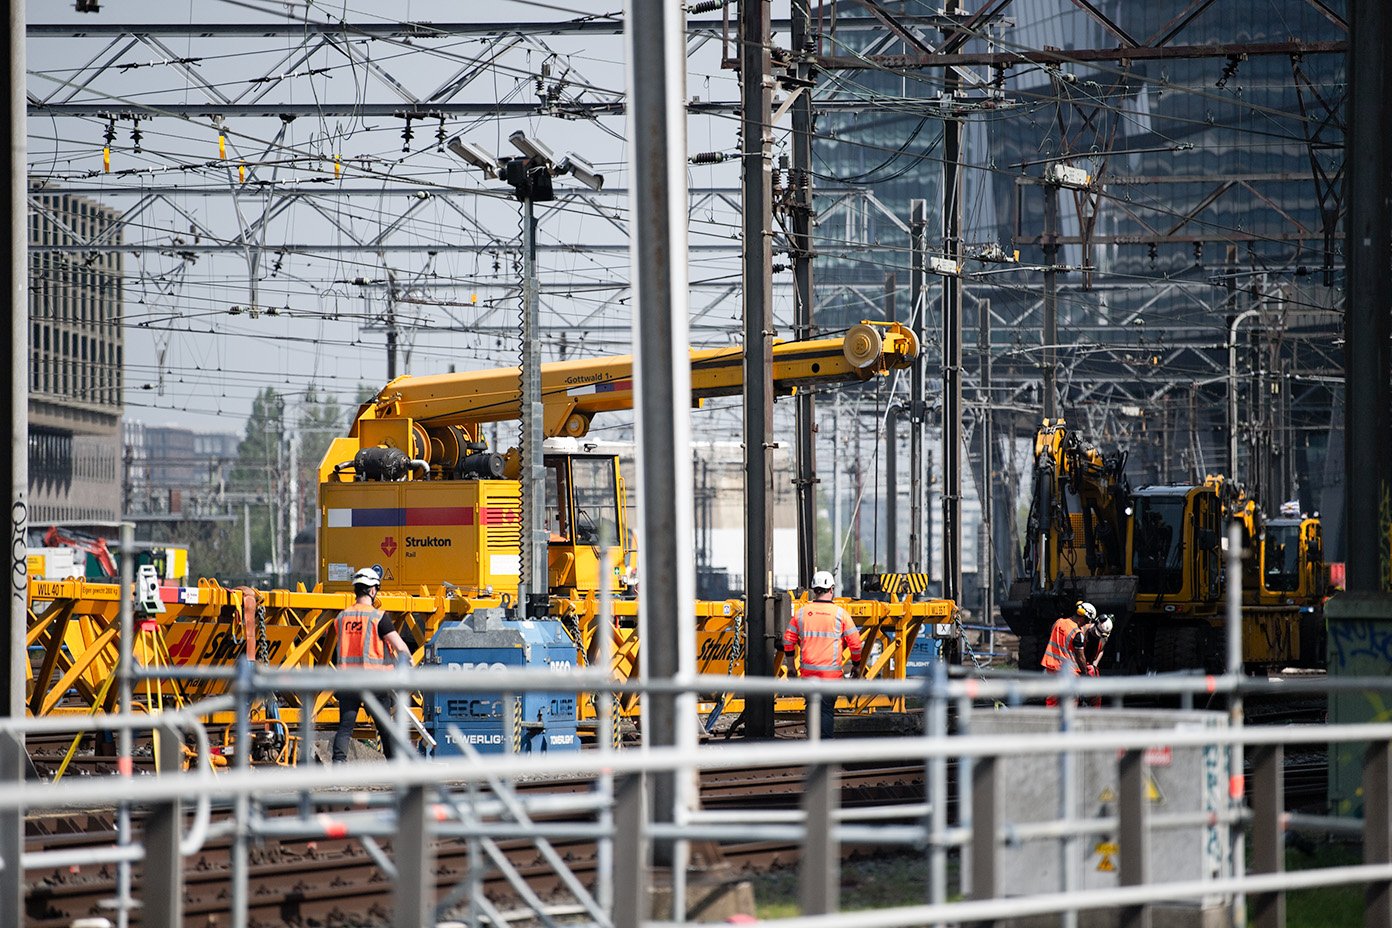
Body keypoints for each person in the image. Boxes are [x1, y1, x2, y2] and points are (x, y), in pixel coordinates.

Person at [332, 566, 413, 763]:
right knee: (385, 727)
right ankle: (395, 767)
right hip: (374, 682)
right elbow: (401, 648)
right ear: (372, 590)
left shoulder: (342, 617)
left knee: (345, 727)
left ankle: (337, 766)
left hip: (347, 682)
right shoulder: (379, 617)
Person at [783, 570, 863, 739]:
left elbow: (788, 640)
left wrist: (791, 667)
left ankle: (812, 742)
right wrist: (856, 666)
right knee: (826, 710)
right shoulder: (841, 615)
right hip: (831, 676)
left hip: (808, 675)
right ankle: (825, 747)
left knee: (811, 706)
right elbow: (856, 644)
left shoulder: (801, 613)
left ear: (814, 590)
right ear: (831, 589)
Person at [1041, 601, 1095, 706]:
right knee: (1070, 701)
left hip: (1051, 668)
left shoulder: (1058, 622)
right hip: (1069, 672)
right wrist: (1085, 672)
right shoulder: (1078, 634)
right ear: (1084, 617)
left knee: (1052, 700)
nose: (1087, 624)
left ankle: (1049, 720)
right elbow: (1080, 657)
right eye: (1087, 620)